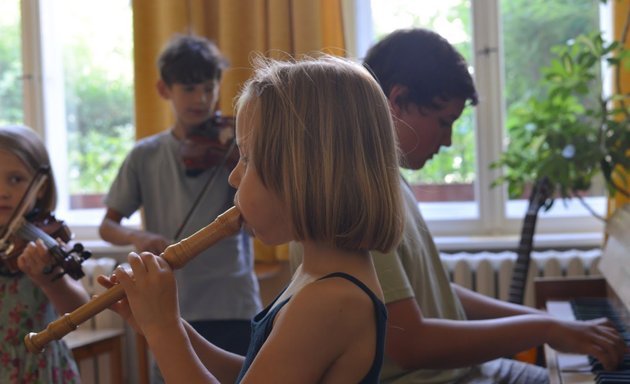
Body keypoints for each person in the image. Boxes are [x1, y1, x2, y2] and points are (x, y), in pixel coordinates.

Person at [289, 28, 628, 384]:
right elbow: (410, 344)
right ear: (398, 101)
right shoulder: (354, 194)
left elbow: (434, 294)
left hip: (467, 373)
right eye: (444, 122)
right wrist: (543, 328)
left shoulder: (386, 178)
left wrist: (550, 322)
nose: (449, 140)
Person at [98, 54, 404, 383]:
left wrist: (164, 330)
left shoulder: (331, 299)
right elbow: (250, 373)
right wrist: (163, 323)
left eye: (246, 158)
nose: (232, 177)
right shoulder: (318, 274)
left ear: (300, 172)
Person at [99, 33, 262, 373]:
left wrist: (244, 163)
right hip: (171, 303)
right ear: (164, 90)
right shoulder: (144, 155)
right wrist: (137, 238)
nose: (201, 99)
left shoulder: (237, 148)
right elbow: (107, 225)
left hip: (233, 300)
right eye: (189, 89)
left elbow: (260, 221)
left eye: (208, 88)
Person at [0, 125, 89, 383]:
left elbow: (78, 309)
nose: (3, 191)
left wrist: (50, 280)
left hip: (38, 369)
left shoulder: (45, 242)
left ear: (39, 188)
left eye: (16, 179)